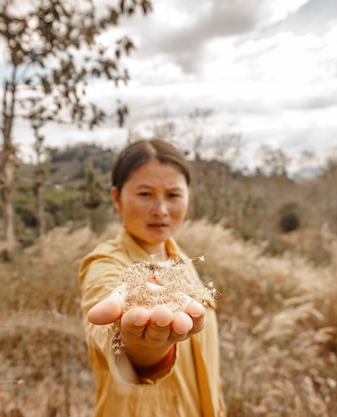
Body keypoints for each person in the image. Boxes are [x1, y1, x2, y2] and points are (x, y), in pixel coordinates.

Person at [78, 139, 227, 417]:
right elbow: (107, 321)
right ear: (116, 198)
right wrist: (141, 346)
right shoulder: (105, 262)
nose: (160, 209)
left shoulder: (181, 261)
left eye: (173, 195)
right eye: (145, 194)